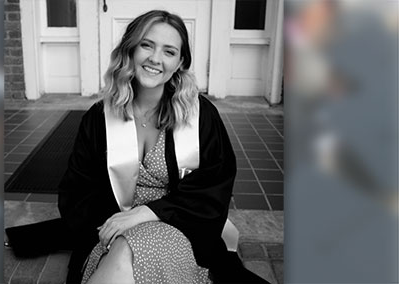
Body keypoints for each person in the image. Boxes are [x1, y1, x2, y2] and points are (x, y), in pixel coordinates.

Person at [58, 10, 265, 284]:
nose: (156, 59)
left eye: (169, 51)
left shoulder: (200, 116)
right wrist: (120, 222)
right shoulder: (99, 118)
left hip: (180, 227)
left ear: (180, 62)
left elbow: (213, 187)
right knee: (121, 249)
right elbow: (78, 191)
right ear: (130, 50)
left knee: (125, 253)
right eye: (147, 45)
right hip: (113, 227)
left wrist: (146, 214)